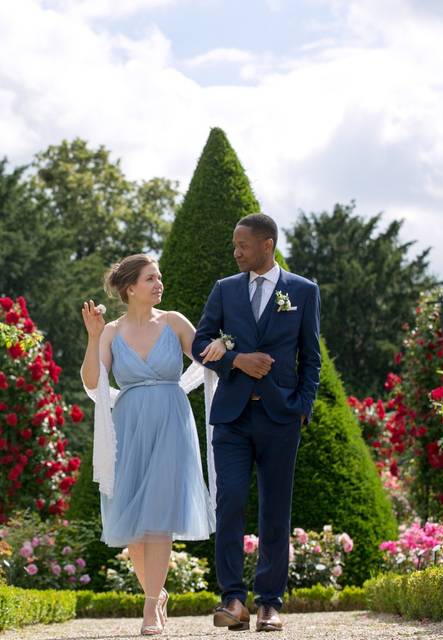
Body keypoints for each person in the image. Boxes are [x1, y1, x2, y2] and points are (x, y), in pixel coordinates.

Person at [81, 254, 226, 636]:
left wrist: (223, 347)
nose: (159, 284)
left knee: (159, 519)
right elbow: (93, 381)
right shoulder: (111, 331)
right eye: (150, 278)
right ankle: (156, 594)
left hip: (171, 424)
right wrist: (94, 337)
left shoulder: (175, 322)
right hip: (128, 427)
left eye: (159, 278)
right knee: (133, 527)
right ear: (130, 288)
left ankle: (149, 609)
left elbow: (205, 356)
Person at [191, 213, 321, 633]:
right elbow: (198, 343)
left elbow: (311, 356)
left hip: (281, 418)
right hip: (231, 418)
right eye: (234, 245)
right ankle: (232, 598)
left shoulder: (303, 291)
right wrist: (235, 360)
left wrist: (302, 406)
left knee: (275, 511)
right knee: (229, 502)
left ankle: (269, 603)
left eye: (241, 245)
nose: (235, 252)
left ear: (267, 245)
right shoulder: (225, 291)